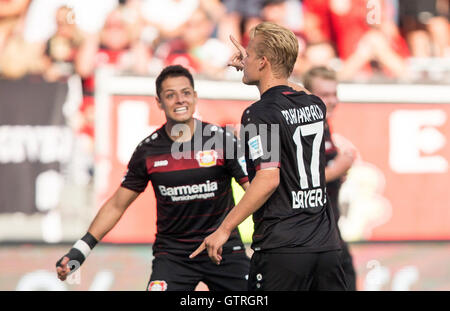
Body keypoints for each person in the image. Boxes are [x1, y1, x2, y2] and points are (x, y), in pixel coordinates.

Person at [56, 65, 251, 291]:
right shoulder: (148, 151)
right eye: (170, 95)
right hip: (174, 257)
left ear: (195, 97)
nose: (180, 100)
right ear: (159, 102)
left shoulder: (222, 140)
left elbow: (254, 190)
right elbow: (117, 205)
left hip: (223, 251)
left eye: (186, 93)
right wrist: (80, 251)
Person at [191, 22, 347, 291]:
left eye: (249, 54)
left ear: (263, 62)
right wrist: (264, 67)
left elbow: (268, 178)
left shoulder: (260, 113)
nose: (244, 58)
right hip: (327, 249)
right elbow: (296, 90)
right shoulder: (315, 105)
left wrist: (224, 228)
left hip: (283, 249)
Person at [303, 66, 357, 290]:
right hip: (309, 235)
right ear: (308, 96)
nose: (332, 100)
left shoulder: (323, 125)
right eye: (324, 95)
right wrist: (337, 169)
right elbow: (299, 178)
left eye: (334, 94)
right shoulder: (304, 128)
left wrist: (336, 174)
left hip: (329, 230)